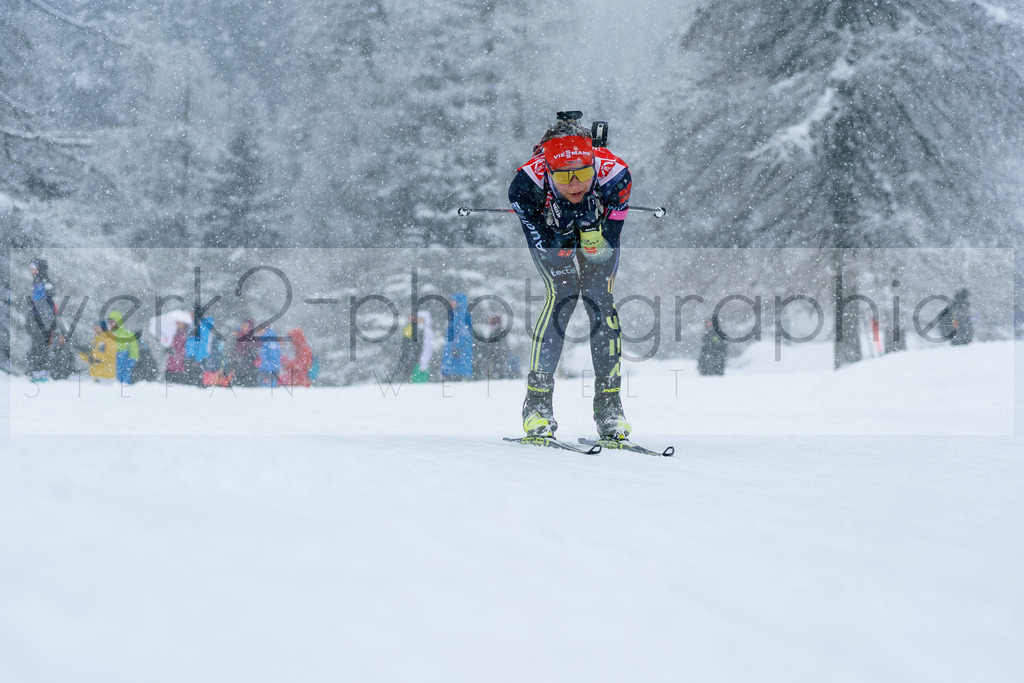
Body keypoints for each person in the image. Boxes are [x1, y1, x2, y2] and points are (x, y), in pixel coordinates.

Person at [509, 112, 632, 439]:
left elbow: (605, 250)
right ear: (548, 171)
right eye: (564, 177)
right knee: (563, 295)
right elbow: (549, 248)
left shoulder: (616, 176)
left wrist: (591, 231)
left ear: (594, 164)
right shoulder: (525, 186)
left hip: (597, 230)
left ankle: (610, 406)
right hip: (551, 230)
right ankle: (537, 404)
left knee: (599, 298)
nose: (575, 184)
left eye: (583, 174)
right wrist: (561, 236)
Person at [26, 258, 57, 382]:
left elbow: (47, 303)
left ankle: (42, 372)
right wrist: (29, 321)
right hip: (36, 322)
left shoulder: (45, 283)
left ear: (39, 268)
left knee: (41, 347)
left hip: (42, 323)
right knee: (35, 347)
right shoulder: (36, 283)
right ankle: (36, 371)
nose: (31, 270)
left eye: (33, 267)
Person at [442, 294, 474, 382]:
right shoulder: (454, 314)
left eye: (454, 301)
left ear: (460, 302)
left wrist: (456, 346)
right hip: (453, 350)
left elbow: (464, 333)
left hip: (460, 351)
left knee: (458, 375)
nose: (451, 303)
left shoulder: (463, 315)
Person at [106, 311, 139, 384]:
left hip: (124, 357)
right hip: (112, 358)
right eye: (109, 322)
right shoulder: (109, 333)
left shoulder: (127, 333)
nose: (110, 323)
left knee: (123, 378)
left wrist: (133, 358)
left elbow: (133, 347)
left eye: (112, 321)